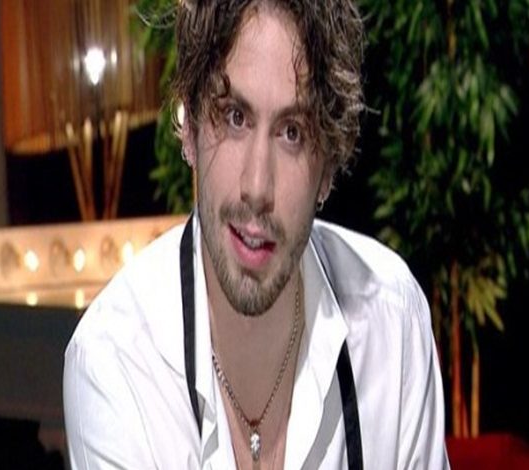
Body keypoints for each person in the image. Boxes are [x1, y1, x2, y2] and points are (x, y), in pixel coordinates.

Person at [63, 0, 449, 468]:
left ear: (328, 168)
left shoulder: (391, 325)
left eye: (292, 133)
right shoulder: (116, 362)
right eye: (234, 117)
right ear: (189, 128)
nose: (257, 186)